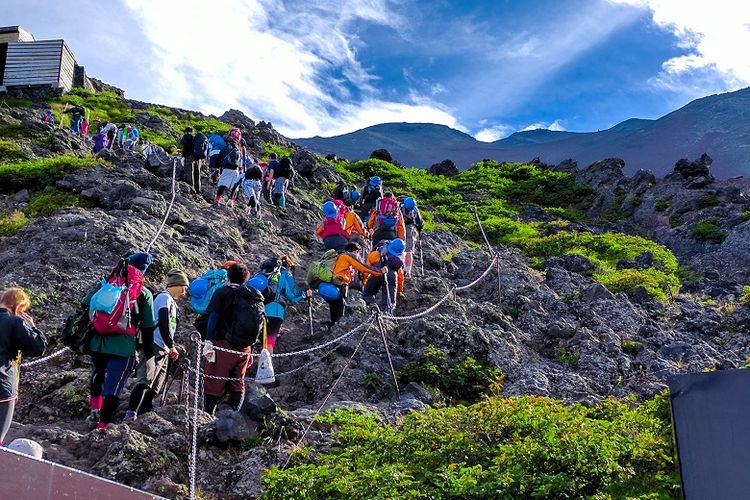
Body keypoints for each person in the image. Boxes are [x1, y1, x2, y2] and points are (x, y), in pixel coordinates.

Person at [85, 253, 156, 429]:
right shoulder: (143, 293)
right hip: (124, 345)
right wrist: (150, 356)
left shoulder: (106, 284)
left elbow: (85, 303)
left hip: (98, 341)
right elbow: (148, 328)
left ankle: (95, 410)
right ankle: (103, 425)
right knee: (114, 385)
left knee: (98, 372)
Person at [124, 269, 189, 421]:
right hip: (154, 344)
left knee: (156, 385)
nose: (184, 292)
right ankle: (131, 412)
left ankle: (144, 413)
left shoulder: (171, 302)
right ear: (177, 285)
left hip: (163, 348)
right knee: (146, 380)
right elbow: (163, 322)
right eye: (184, 288)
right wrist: (171, 345)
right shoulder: (164, 298)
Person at [202, 262, 264, 414]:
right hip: (245, 348)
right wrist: (254, 347)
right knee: (238, 382)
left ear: (228, 277)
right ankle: (234, 415)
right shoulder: (253, 295)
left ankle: (208, 416)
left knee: (214, 381)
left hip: (224, 343)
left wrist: (208, 341)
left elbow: (214, 316)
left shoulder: (222, 292)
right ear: (246, 279)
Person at [0, 288, 47, 446]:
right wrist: (33, 328)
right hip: (3, 385)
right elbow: (38, 348)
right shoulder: (14, 322)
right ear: (18, 307)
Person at [256, 256, 311, 354]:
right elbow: (292, 295)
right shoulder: (285, 273)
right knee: (269, 341)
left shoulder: (263, 272)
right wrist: (305, 295)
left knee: (260, 339)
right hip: (275, 311)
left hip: (259, 310)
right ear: (289, 266)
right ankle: (266, 366)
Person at [319, 242, 381, 328]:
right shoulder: (349, 256)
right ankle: (337, 327)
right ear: (355, 251)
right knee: (339, 305)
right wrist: (379, 272)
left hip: (330, 282)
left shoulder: (339, 256)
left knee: (334, 304)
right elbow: (363, 267)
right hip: (340, 283)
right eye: (358, 252)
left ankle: (333, 323)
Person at [363, 239, 405, 314]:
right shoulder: (397, 261)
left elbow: (367, 267)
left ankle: (372, 306)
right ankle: (388, 316)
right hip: (391, 275)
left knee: (367, 293)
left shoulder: (376, 254)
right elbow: (400, 277)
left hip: (376, 273)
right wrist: (399, 291)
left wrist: (364, 280)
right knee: (390, 302)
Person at [214, 134, 242, 206]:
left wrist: (217, 167)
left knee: (222, 184)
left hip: (227, 168)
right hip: (236, 170)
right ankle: (231, 202)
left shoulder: (226, 147)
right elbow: (240, 161)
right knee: (234, 187)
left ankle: (217, 201)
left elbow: (219, 157)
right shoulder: (238, 149)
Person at [401, 197, 424, 277]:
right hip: (409, 230)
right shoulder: (414, 210)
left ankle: (400, 268)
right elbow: (420, 223)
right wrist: (420, 229)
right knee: (409, 250)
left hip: (399, 229)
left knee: (400, 248)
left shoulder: (400, 207)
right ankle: (407, 271)